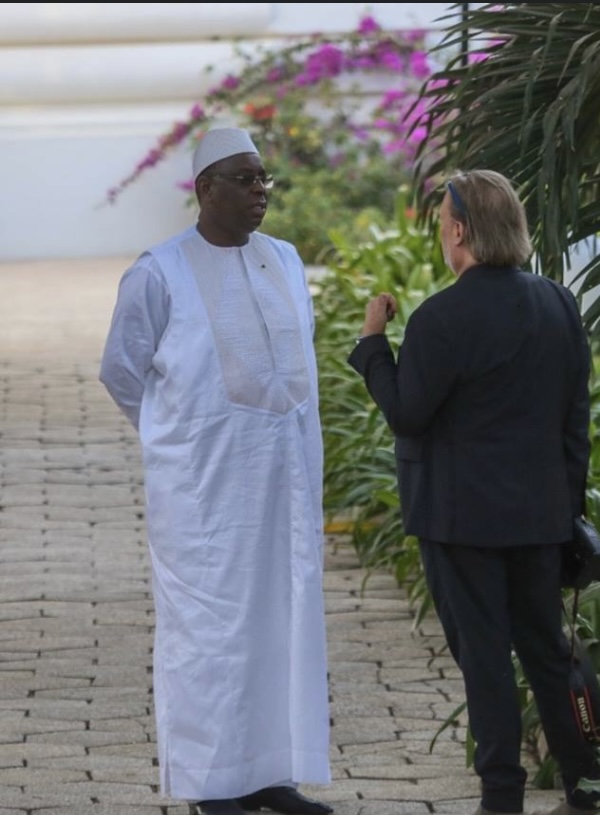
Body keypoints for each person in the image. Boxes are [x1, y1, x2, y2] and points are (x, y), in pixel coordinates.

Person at [347, 170, 600, 815]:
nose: (441, 238)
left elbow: (408, 413)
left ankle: (501, 799)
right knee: (548, 654)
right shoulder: (557, 303)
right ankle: (587, 785)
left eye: (442, 227)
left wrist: (374, 345)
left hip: (461, 523)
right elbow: (577, 421)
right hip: (540, 517)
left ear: (460, 231)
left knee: (485, 660)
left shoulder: (441, 317)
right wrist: (570, 513)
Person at [99, 128, 334, 815]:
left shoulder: (285, 260)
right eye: (245, 178)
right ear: (205, 189)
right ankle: (209, 783)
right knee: (209, 629)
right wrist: (182, 438)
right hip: (203, 490)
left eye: (265, 178)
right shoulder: (159, 270)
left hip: (283, 480)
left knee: (279, 620)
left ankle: (268, 771)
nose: (261, 190)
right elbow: (122, 369)